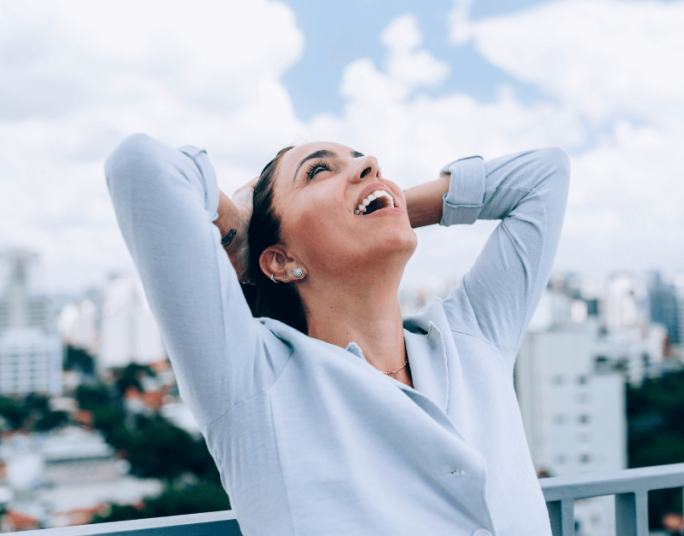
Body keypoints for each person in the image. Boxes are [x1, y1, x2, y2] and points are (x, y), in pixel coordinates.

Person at [104, 133, 570, 536]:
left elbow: (544, 175)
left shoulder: (472, 338)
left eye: (364, 160)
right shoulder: (253, 382)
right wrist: (240, 231)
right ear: (280, 261)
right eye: (318, 171)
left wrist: (388, 204)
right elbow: (139, 166)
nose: (370, 165)